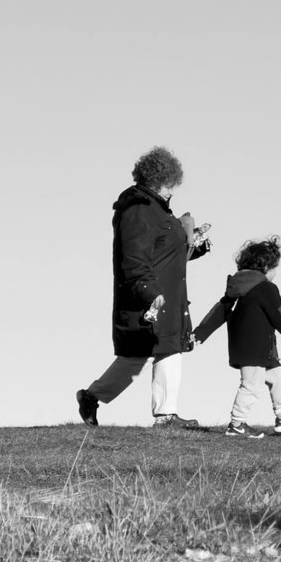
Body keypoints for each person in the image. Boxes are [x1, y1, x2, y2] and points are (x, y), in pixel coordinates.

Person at [76, 146, 210, 429]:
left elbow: (164, 253)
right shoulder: (139, 210)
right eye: (172, 184)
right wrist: (149, 291)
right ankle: (165, 416)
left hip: (163, 296)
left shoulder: (155, 209)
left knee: (139, 356)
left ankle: (92, 396)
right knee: (166, 351)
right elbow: (134, 257)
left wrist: (194, 248)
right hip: (151, 297)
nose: (173, 190)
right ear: (162, 180)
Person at [193, 236, 281, 438]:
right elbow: (280, 312)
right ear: (266, 266)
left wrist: (201, 332)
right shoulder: (265, 288)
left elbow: (221, 310)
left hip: (254, 346)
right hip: (255, 347)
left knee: (277, 379)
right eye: (275, 267)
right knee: (252, 386)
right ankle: (237, 424)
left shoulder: (236, 286)